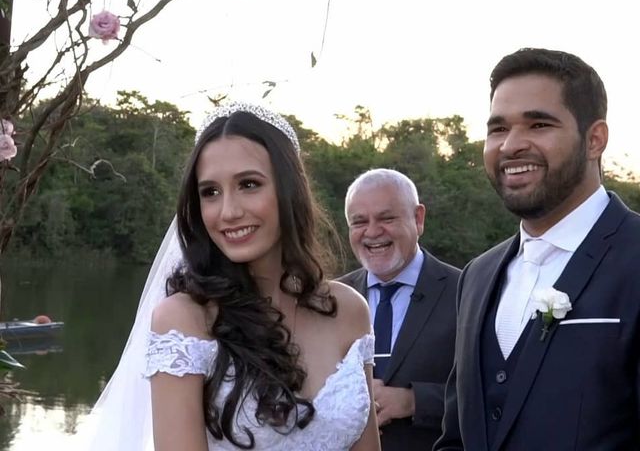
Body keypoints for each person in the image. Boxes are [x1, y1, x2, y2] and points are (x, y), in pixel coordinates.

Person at [78, 102, 381, 450]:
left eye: (249, 184)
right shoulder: (186, 320)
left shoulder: (349, 310)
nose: (229, 212)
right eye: (210, 192)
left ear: (289, 190)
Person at [435, 48, 640, 450]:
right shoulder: (476, 276)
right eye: (497, 129)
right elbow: (458, 438)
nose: (511, 145)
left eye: (539, 124)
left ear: (595, 139)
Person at [338, 168, 460, 451]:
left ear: (418, 219)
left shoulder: (467, 291)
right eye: (359, 222)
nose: (372, 232)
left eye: (386, 218)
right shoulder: (330, 300)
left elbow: (494, 393)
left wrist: (414, 400)